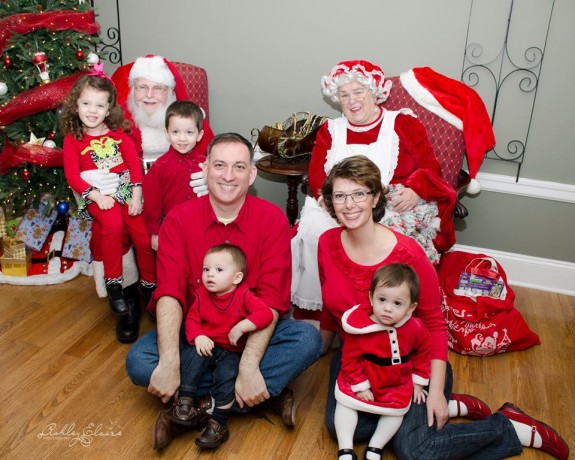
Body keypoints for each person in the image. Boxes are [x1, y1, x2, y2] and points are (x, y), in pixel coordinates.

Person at [318, 155, 569, 460]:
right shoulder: (327, 244)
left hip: (410, 364)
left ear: (375, 198)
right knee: (340, 428)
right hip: (358, 358)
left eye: (359, 194)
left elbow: (435, 325)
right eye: (340, 195)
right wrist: (319, 350)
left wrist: (435, 390)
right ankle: (451, 408)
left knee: (414, 450)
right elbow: (332, 313)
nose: (349, 204)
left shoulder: (407, 254)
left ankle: (508, 427)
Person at [124, 132, 323, 450]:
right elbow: (171, 293)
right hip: (197, 336)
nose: (228, 176)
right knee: (140, 361)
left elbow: (272, 300)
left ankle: (191, 409)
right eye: (219, 165)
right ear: (205, 169)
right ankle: (257, 397)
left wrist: (247, 366)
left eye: (239, 167)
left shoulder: (271, 219)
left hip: (249, 334)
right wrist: (172, 362)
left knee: (307, 340)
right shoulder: (179, 219)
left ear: (252, 174)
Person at [291, 59, 457, 315]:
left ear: (375, 93)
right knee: (316, 232)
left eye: (359, 91)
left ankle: (376, 313)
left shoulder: (402, 124)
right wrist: (327, 200)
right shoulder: (330, 130)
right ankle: (323, 313)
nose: (352, 100)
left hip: (385, 203)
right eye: (344, 94)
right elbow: (316, 174)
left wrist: (415, 189)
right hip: (337, 202)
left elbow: (430, 168)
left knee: (382, 240)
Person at [82, 55, 216, 342]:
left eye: (158, 89)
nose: (150, 96)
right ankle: (128, 303)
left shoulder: (184, 121)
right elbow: (85, 157)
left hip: (172, 199)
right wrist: (92, 183)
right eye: (142, 87)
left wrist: (210, 175)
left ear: (170, 93)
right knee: (112, 231)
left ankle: (168, 297)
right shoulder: (116, 123)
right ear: (131, 91)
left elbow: (215, 152)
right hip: (123, 196)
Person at [60, 71, 156, 330]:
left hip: (125, 190)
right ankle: (114, 285)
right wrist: (95, 195)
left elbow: (135, 164)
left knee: (142, 236)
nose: (93, 110)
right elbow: (72, 176)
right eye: (86, 103)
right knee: (112, 226)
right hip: (96, 194)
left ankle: (149, 286)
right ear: (76, 104)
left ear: (108, 109)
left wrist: (136, 194)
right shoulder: (74, 139)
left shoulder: (117, 134)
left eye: (100, 105)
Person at [175, 243, 274, 449]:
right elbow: (191, 320)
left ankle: (218, 422)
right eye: (206, 269)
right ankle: (185, 402)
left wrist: (243, 325)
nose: (210, 274)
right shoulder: (202, 294)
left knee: (227, 376)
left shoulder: (243, 295)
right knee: (191, 358)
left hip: (231, 351)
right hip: (208, 345)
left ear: (236, 278)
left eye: (219, 270)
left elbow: (266, 314)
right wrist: (199, 336)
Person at [335, 263, 431, 460]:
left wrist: (418, 382)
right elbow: (350, 359)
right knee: (345, 403)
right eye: (381, 300)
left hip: (395, 381)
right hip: (364, 376)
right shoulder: (360, 328)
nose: (387, 308)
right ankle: (345, 448)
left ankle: (375, 447)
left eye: (397, 304)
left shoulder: (415, 327)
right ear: (371, 297)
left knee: (395, 412)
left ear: (411, 307)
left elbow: (423, 351)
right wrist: (360, 385)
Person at [143, 100, 206, 250]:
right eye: (175, 132)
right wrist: (155, 233)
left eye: (189, 132)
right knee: (172, 261)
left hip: (200, 222)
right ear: (167, 133)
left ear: (199, 135)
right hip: (170, 224)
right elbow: (152, 203)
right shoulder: (160, 166)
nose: (182, 138)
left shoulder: (205, 164)